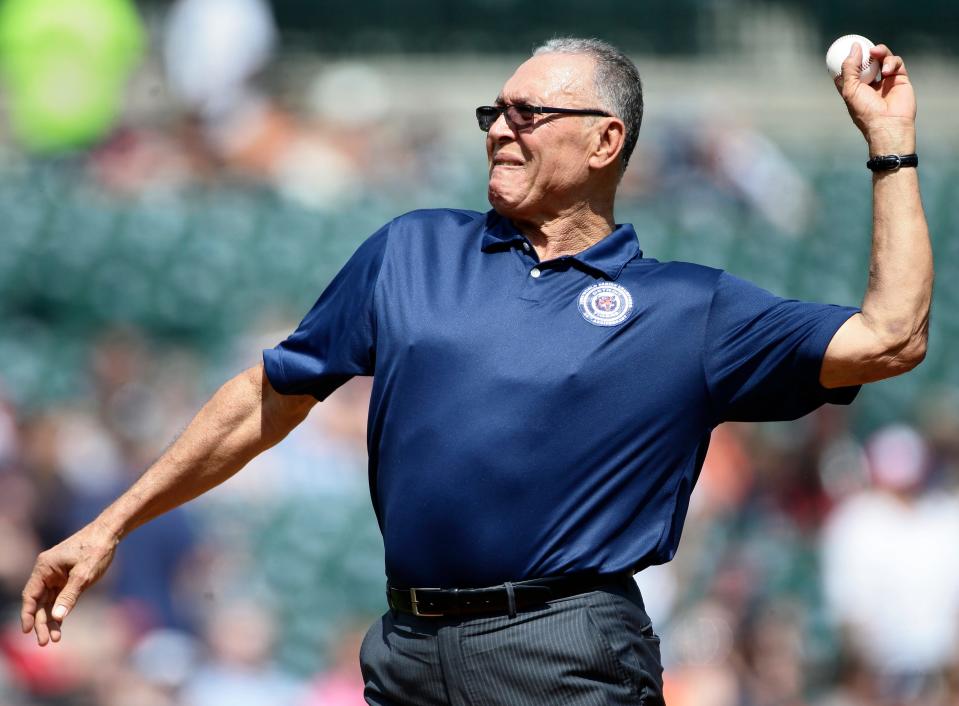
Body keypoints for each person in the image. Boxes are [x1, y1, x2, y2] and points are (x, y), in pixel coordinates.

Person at [21, 37, 931, 705]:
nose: (500, 127)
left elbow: (892, 337)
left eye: (528, 114)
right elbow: (267, 395)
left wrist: (888, 145)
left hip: (565, 649)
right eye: (493, 110)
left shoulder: (686, 308)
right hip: (409, 649)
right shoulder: (411, 250)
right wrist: (113, 523)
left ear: (605, 142)